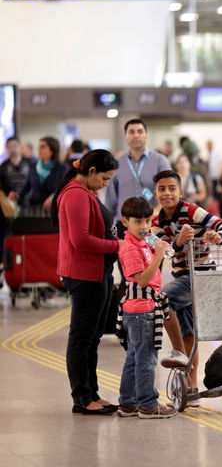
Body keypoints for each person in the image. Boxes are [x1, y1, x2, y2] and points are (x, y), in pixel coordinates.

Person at [152, 169, 222, 402]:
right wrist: (177, 242)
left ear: (181, 191)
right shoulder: (157, 222)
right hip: (182, 278)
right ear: (156, 193)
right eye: (162, 189)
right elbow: (163, 251)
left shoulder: (192, 211)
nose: (167, 193)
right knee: (189, 333)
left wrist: (219, 236)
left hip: (202, 275)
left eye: (172, 188)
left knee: (162, 298)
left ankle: (178, 352)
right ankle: (192, 389)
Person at [52, 150, 121, 415]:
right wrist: (118, 245)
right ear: (91, 172)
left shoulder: (86, 192)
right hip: (83, 275)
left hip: (96, 272)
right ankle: (81, 397)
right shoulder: (75, 194)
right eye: (105, 178)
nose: (106, 184)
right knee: (82, 338)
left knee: (92, 337)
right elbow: (80, 240)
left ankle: (91, 392)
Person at [116, 197, 178, 419]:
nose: (144, 227)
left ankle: (128, 403)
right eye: (138, 222)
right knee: (146, 360)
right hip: (141, 310)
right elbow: (142, 280)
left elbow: (164, 252)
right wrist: (158, 256)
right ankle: (148, 405)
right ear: (126, 222)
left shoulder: (143, 242)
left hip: (142, 308)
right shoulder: (130, 248)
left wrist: (158, 247)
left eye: (147, 221)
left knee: (134, 358)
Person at [104, 118, 172, 223]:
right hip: (123, 224)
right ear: (125, 137)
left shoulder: (160, 161)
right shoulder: (116, 164)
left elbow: (170, 192)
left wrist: (158, 210)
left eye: (140, 131)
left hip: (151, 223)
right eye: (131, 132)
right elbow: (110, 200)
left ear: (146, 136)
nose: (136, 135)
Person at [14, 136, 68, 214]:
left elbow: (64, 188)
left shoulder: (62, 168)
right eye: (39, 146)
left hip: (54, 210)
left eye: (43, 147)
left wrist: (54, 196)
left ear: (52, 150)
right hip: (34, 209)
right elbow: (26, 187)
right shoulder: (32, 166)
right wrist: (17, 195)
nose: (39, 149)